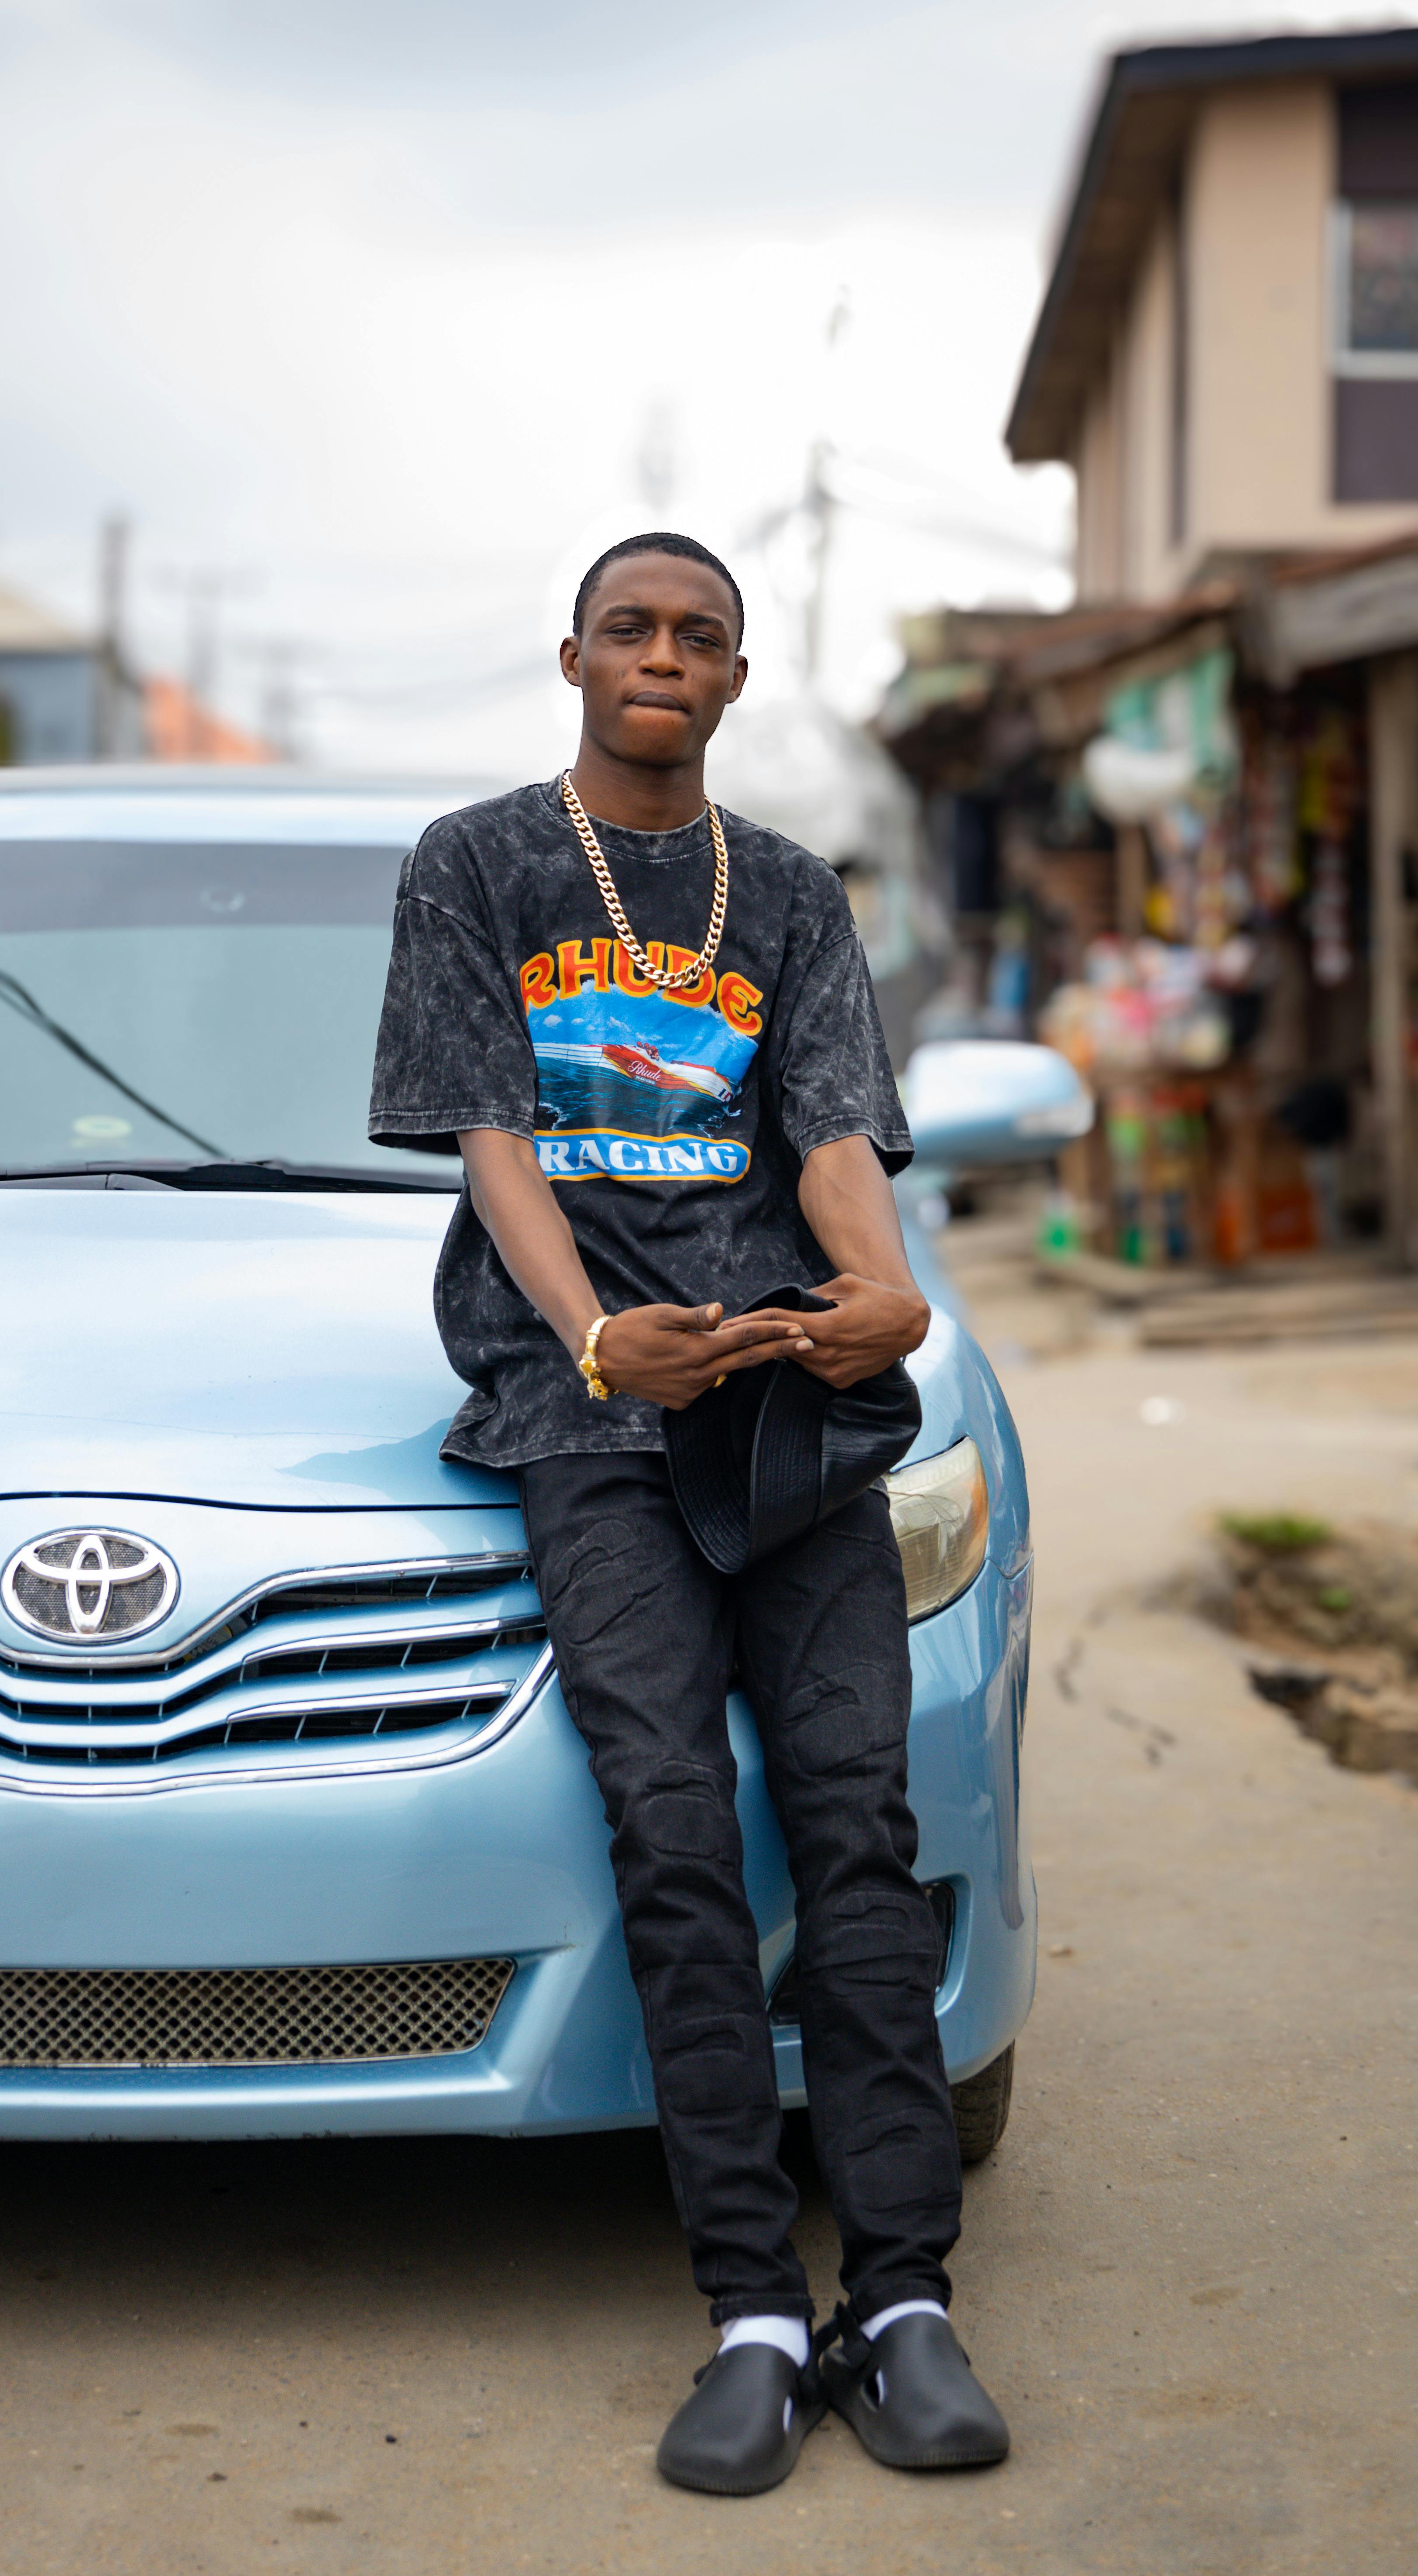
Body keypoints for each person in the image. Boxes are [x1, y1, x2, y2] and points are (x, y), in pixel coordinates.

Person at [368, 532, 1008, 2494]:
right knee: (667, 1815)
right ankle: (749, 2305)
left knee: (856, 1817)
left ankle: (902, 2301)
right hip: (591, 1430)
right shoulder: (479, 864)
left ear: (737, 678)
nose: (664, 657)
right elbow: (494, 1139)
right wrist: (586, 1345)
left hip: (791, 1409)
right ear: (573, 656)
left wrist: (885, 1285)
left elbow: (826, 1132)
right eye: (632, 629)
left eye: (700, 638)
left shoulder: (793, 894)